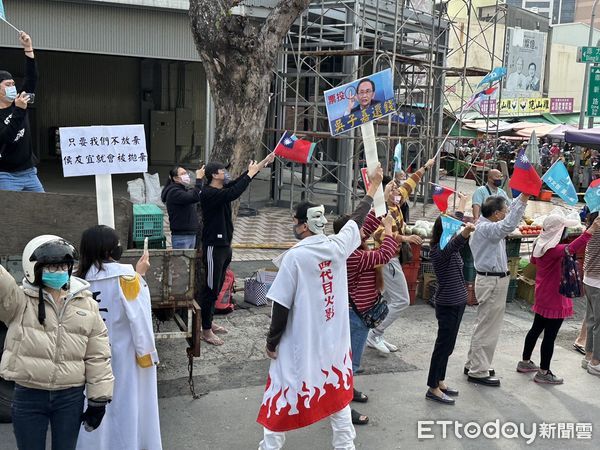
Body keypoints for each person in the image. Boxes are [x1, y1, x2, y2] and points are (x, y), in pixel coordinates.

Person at [256, 165, 384, 450]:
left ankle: (270, 446)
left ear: (304, 225)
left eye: (295, 221)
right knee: (337, 393)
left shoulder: (295, 258)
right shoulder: (338, 247)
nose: (295, 224)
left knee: (283, 389)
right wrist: (373, 188)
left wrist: (271, 342)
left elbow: (281, 305)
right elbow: (357, 219)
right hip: (333, 344)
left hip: (299, 344)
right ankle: (345, 446)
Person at [0, 235, 113, 450]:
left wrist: (99, 399)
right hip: (29, 395)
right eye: (51, 267)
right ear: (33, 268)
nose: (59, 271)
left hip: (69, 398)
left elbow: (98, 353)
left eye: (63, 266)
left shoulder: (87, 303)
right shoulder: (18, 301)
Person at [75, 225, 162, 450]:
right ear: (110, 251)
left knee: (92, 402)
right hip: (123, 356)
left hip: (87, 358)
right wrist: (147, 355)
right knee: (125, 405)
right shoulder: (127, 279)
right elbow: (140, 321)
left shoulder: (76, 281)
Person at [361, 158, 436, 354]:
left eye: (396, 188)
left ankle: (376, 333)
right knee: (402, 300)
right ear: (384, 192)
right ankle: (375, 333)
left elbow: (410, 184)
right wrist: (405, 237)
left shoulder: (395, 202)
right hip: (386, 259)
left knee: (386, 298)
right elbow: (379, 234)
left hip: (392, 259)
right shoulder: (380, 210)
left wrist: (425, 167)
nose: (398, 191)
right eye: (393, 188)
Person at [200, 153, 275, 345]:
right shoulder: (209, 193)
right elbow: (234, 193)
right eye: (222, 170)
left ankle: (208, 323)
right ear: (214, 175)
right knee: (210, 289)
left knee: (217, 287)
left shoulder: (222, 188)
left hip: (225, 246)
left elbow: (237, 183)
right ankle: (205, 330)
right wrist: (250, 174)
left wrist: (261, 164)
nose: (225, 173)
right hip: (213, 247)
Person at [517, 213, 600, 384]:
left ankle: (525, 362)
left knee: (535, 329)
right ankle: (544, 372)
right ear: (558, 232)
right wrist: (591, 230)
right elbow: (573, 247)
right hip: (555, 298)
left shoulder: (538, 245)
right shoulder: (554, 250)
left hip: (542, 295)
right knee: (549, 337)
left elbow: (535, 260)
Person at [333, 211, 397, 425]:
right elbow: (385, 254)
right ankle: (341, 408)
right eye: (358, 231)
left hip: (358, 314)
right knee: (351, 363)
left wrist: (380, 204)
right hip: (355, 316)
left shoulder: (350, 247)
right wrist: (388, 229)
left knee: (348, 361)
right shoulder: (353, 256)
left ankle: (347, 390)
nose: (365, 233)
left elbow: (367, 226)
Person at [464, 193, 528, 386]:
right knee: (488, 327)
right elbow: (508, 225)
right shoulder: (486, 228)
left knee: (484, 324)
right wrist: (523, 201)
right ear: (496, 214)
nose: (507, 213)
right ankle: (478, 370)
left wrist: (523, 196)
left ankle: (474, 363)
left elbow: (508, 216)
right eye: (504, 211)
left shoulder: (485, 225)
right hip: (491, 281)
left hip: (491, 280)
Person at [426, 193, 476, 405]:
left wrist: (462, 206)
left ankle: (441, 380)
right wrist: (465, 231)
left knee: (449, 345)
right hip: (448, 303)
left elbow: (454, 226)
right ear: (443, 231)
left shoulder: (446, 243)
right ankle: (432, 387)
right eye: (450, 228)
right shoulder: (439, 251)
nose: (453, 230)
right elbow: (456, 242)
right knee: (442, 346)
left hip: (457, 302)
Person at [0, 32, 44, 192]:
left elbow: (32, 78)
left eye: (13, 84)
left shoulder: (19, 100)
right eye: (7, 84)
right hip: (5, 176)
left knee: (41, 210)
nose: (12, 87)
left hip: (30, 172)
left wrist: (28, 49)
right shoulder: (19, 106)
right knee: (10, 215)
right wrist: (19, 109)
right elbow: (7, 137)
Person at [161, 165, 205, 249]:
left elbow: (195, 194)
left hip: (190, 234)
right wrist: (199, 178)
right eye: (183, 173)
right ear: (176, 178)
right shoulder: (174, 192)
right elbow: (194, 197)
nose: (186, 175)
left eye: (186, 173)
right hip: (182, 236)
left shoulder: (183, 189)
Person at [582, 211, 600, 376]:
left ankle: (588, 357)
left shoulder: (593, 226)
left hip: (589, 279)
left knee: (592, 320)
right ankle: (596, 362)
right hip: (598, 282)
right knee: (598, 323)